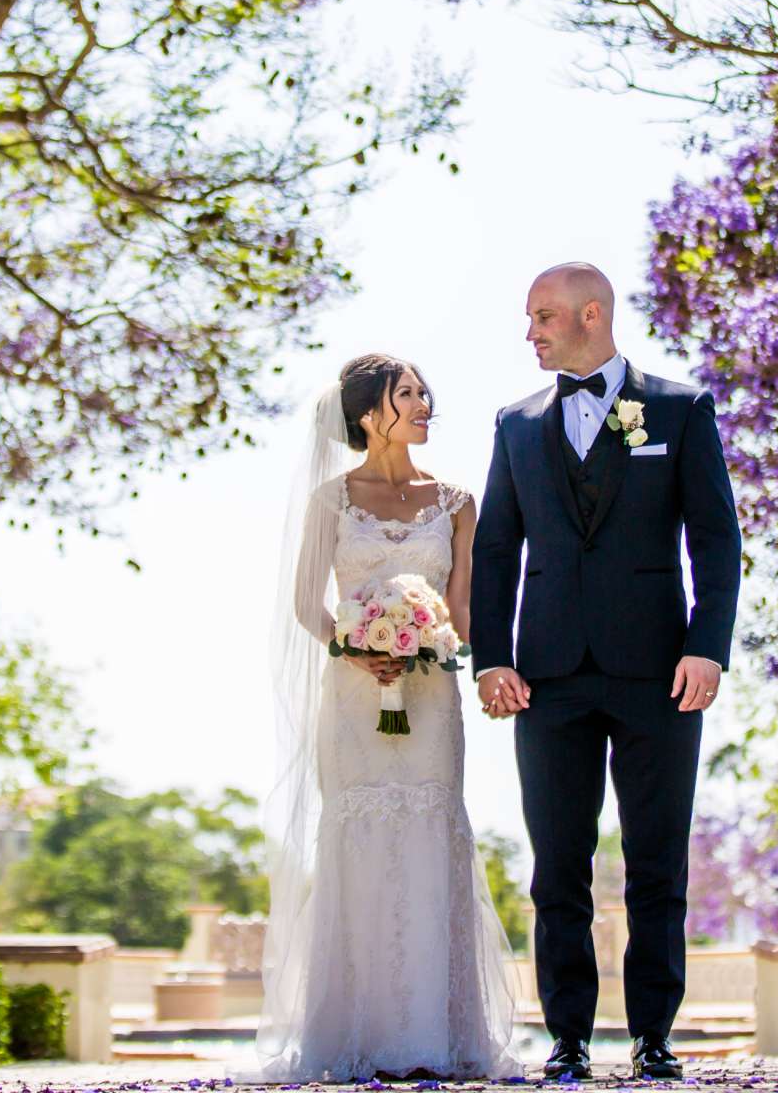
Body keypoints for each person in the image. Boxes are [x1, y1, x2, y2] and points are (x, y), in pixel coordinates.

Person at [472, 264, 743, 1082]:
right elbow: (494, 552)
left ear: (592, 314)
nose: (532, 332)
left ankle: (654, 1037)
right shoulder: (515, 424)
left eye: (545, 316)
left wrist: (709, 643)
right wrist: (491, 658)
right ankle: (568, 1039)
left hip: (661, 672)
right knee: (558, 865)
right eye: (528, 319)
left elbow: (717, 541)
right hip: (546, 678)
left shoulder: (679, 409)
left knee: (658, 861)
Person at [258, 353, 519, 1083]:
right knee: (360, 840)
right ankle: (358, 1035)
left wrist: (478, 651)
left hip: (432, 702)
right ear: (371, 413)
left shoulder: (459, 502)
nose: (425, 404)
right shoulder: (330, 501)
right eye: (408, 395)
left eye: (424, 393)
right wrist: (354, 645)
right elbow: (306, 602)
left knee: (434, 834)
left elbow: (465, 611)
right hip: (351, 701)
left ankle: (435, 1036)